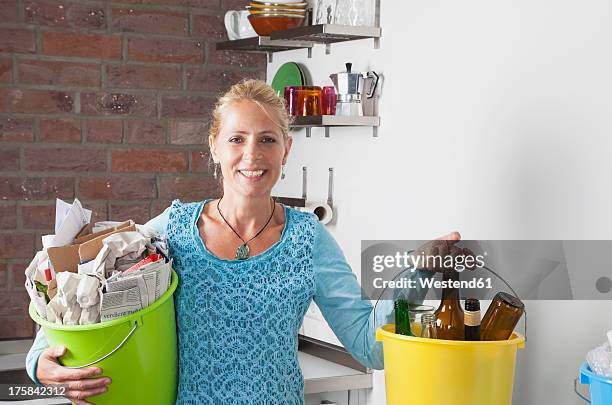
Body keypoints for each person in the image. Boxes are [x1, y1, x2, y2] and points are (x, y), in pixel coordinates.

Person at [26, 80, 463, 404]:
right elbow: (85, 292)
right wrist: (40, 359)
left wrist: (417, 273)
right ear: (214, 147)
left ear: (287, 150)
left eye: (267, 140)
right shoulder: (172, 230)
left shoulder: (308, 239)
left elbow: (371, 347)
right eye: (237, 139)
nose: (252, 155)